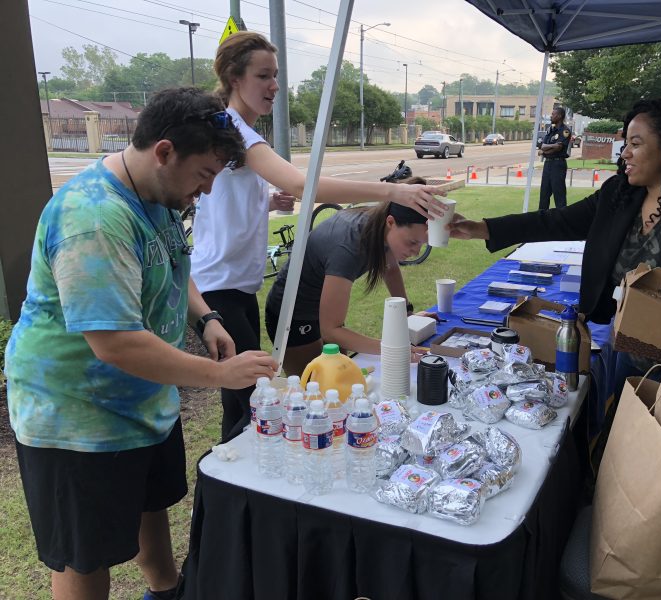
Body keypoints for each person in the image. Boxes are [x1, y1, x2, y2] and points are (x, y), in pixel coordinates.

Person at [3, 87, 279, 600]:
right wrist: (220, 375)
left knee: (152, 514)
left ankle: (166, 591)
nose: (209, 190)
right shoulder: (95, 217)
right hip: (75, 417)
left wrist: (207, 318)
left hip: (143, 401)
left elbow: (174, 263)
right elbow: (116, 343)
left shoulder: (157, 192)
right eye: (205, 175)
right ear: (165, 151)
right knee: (84, 557)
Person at [190, 31, 444, 438]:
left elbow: (226, 196)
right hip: (219, 287)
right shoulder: (233, 128)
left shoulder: (240, 131)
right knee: (249, 404)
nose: (274, 86)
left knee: (238, 405)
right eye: (263, 76)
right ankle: (228, 487)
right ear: (235, 79)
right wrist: (394, 190)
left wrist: (268, 203)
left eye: (276, 76)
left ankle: (223, 484)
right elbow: (305, 186)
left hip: (237, 287)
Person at [450, 98, 661, 394]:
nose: (624, 152)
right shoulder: (619, 194)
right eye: (625, 142)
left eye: (636, 143)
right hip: (632, 344)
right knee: (619, 436)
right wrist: (481, 228)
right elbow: (557, 221)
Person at [265, 177, 431, 376]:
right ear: (391, 222)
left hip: (320, 311)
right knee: (318, 389)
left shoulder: (381, 224)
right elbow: (331, 329)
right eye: (412, 242)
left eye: (421, 243)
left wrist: (407, 313)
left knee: (342, 379)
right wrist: (392, 349)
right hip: (293, 316)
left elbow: (390, 268)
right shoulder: (349, 246)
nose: (415, 251)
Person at [538, 106, 572, 210]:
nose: (551, 116)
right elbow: (543, 146)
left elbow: (559, 148)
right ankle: (541, 220)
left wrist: (545, 151)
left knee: (559, 195)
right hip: (548, 164)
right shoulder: (550, 130)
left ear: (560, 116)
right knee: (544, 194)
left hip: (558, 165)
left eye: (553, 114)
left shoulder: (565, 131)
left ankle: (562, 222)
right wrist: (550, 147)